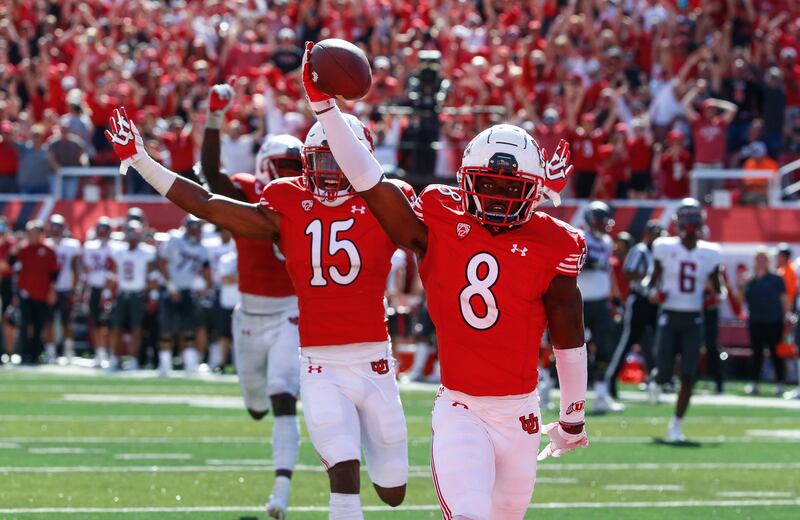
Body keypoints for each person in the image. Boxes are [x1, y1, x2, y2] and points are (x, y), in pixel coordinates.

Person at [300, 42, 587, 520]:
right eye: (487, 186)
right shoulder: (438, 216)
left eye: (510, 191)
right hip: (461, 409)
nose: (495, 200)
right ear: (463, 180)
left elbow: (568, 333)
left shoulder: (553, 242)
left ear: (533, 193)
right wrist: (326, 110)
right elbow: (372, 182)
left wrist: (573, 415)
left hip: (521, 415)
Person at [104, 101, 413, 519]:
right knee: (343, 477)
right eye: (323, 161)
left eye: (340, 160)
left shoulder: (389, 202)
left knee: (393, 491)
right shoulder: (288, 202)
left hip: (375, 361)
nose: (331, 172)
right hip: (320, 364)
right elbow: (209, 203)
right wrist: (142, 162)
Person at [199, 84, 305, 518]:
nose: (291, 176)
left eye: (296, 168)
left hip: (289, 313)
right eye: (282, 168)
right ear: (263, 169)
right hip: (249, 314)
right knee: (257, 406)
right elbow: (210, 175)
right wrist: (212, 119)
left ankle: (280, 493)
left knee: (283, 396)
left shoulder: (311, 200)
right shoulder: (247, 192)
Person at [646, 198, 722, 442]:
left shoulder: (710, 252)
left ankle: (676, 424)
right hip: (669, 314)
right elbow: (651, 282)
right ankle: (657, 380)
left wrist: (713, 299)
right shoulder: (664, 247)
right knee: (664, 371)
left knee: (689, 374)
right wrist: (653, 294)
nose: (690, 228)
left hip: (693, 319)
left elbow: (719, 290)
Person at [606, 221, 665, 399]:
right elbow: (628, 272)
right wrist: (649, 278)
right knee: (628, 341)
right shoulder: (640, 250)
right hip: (640, 300)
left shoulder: (663, 252)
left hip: (655, 302)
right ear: (649, 235)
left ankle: (659, 381)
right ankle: (611, 379)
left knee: (659, 342)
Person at [578, 202, 623, 413]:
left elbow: (608, 271)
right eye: (599, 220)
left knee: (604, 347)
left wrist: (614, 297)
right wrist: (589, 263)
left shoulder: (606, 242)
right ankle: (549, 389)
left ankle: (601, 396)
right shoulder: (578, 237)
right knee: (567, 347)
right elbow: (575, 263)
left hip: (600, 302)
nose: (603, 225)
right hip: (579, 301)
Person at [157, 215, 212, 376]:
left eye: (197, 229)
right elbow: (162, 263)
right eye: (192, 228)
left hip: (188, 290)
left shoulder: (203, 248)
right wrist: (171, 287)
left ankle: (190, 365)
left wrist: (207, 287)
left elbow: (206, 269)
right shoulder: (175, 239)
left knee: (189, 330)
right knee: (166, 329)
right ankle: (165, 366)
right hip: (170, 289)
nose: (194, 232)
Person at [740, 249, 791, 395]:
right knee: (756, 354)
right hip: (755, 321)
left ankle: (780, 384)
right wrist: (742, 285)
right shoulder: (749, 279)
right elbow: (741, 300)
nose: (761, 262)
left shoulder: (776, 278)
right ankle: (755, 383)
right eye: (758, 258)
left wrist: (787, 315)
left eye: (764, 259)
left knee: (776, 353)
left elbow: (784, 299)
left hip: (774, 321)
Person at [108, 221, 157, 371]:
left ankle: (133, 360)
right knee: (116, 328)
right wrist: (107, 293)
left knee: (137, 328)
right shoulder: (119, 251)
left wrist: (153, 295)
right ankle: (115, 358)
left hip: (138, 294)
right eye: (130, 234)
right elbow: (112, 274)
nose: (133, 237)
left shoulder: (147, 251)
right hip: (122, 293)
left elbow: (152, 275)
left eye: (135, 234)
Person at [14, 220, 59, 364]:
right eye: (30, 233)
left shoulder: (48, 250)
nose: (32, 236)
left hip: (42, 293)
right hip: (25, 293)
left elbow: (54, 273)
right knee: (25, 324)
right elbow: (9, 264)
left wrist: (52, 291)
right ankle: (23, 354)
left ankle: (36, 354)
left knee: (39, 325)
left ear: (41, 234)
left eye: (34, 233)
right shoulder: (23, 248)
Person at [45, 214, 82, 362]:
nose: (55, 230)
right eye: (53, 226)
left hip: (66, 287)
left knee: (67, 322)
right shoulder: (45, 243)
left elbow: (75, 268)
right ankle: (51, 352)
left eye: (58, 227)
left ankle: (68, 351)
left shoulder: (71, 245)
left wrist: (75, 288)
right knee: (49, 321)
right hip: (48, 289)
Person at [81, 217, 116, 367]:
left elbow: (116, 268)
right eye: (100, 230)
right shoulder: (90, 246)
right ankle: (99, 353)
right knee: (95, 323)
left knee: (109, 324)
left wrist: (109, 289)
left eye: (105, 230)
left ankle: (110, 354)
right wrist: (84, 290)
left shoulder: (116, 247)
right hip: (95, 288)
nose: (102, 233)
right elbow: (86, 269)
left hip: (111, 289)